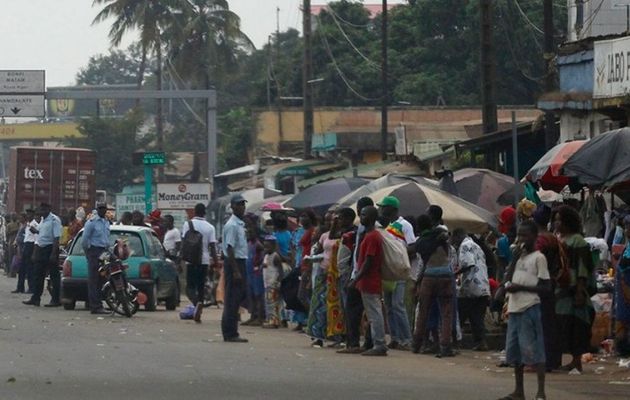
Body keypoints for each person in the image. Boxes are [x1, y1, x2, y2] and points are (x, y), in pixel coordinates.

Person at [500, 220, 550, 400]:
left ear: (534, 237)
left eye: (524, 235)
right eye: (518, 235)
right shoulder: (518, 258)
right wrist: (513, 260)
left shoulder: (539, 258)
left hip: (530, 307)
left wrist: (521, 288)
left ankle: (540, 392)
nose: (520, 239)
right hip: (514, 308)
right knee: (515, 353)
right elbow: (507, 276)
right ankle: (518, 391)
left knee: (535, 350)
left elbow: (546, 287)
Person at [553, 205, 596, 373]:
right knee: (561, 324)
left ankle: (576, 361)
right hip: (561, 289)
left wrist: (580, 290)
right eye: (555, 220)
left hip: (573, 291)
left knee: (576, 326)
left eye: (559, 220)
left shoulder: (578, 241)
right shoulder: (558, 239)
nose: (556, 223)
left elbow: (582, 268)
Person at [412, 205, 456, 358]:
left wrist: (417, 282)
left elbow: (421, 266)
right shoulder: (440, 234)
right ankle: (445, 346)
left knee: (423, 311)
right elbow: (450, 254)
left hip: (429, 277)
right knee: (446, 313)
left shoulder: (420, 242)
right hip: (445, 275)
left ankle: (416, 344)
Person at [348, 205, 387, 356]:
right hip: (367, 281)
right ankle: (375, 343)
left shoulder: (372, 236)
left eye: (364, 214)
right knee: (372, 314)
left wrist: (356, 278)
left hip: (370, 280)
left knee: (375, 314)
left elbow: (368, 261)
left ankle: (379, 344)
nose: (361, 217)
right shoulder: (369, 234)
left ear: (371, 217)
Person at [338, 197, 375, 354]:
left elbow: (364, 256)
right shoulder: (362, 229)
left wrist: (355, 276)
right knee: (369, 311)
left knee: (354, 310)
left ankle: (354, 343)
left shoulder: (367, 231)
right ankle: (367, 342)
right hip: (362, 273)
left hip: (360, 274)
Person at [378, 195, 414, 351]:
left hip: (398, 269)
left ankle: (406, 339)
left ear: (392, 209)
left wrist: (400, 258)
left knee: (398, 305)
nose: (380, 210)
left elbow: (412, 246)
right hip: (386, 271)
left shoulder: (404, 225)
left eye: (383, 207)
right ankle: (395, 337)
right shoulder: (384, 225)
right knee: (389, 306)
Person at [533, 204, 564, 371]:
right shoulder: (552, 237)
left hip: (540, 284)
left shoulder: (540, 240)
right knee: (550, 323)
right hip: (552, 283)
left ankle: (543, 361)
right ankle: (553, 360)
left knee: (541, 323)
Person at [451, 228, 490, 351]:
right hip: (482, 285)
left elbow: (468, 264)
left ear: (457, 236)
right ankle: (481, 342)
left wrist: (453, 273)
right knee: (477, 316)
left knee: (460, 314)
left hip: (472, 286)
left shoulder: (465, 245)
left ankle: (455, 341)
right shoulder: (476, 245)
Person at [181, 203, 218, 323]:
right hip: (204, 260)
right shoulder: (210, 227)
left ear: (195, 212)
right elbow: (212, 246)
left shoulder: (188, 224)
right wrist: (216, 262)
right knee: (201, 286)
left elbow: (183, 242)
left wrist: (181, 259)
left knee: (189, 287)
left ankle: (197, 304)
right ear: (205, 213)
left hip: (191, 260)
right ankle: (200, 306)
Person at [221, 194, 249, 343]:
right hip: (234, 263)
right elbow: (229, 248)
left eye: (243, 204)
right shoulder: (232, 225)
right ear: (232, 207)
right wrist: (236, 270)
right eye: (239, 205)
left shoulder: (240, 224)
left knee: (238, 297)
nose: (242, 207)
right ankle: (230, 333)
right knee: (232, 298)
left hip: (241, 261)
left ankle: (232, 330)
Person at [23, 203, 62, 307]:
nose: (42, 211)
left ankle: (56, 299)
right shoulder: (42, 220)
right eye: (41, 210)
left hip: (50, 249)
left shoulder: (54, 220)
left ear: (49, 209)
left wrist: (53, 254)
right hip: (41, 249)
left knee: (54, 276)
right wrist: (35, 231)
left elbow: (56, 238)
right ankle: (36, 298)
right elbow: (40, 236)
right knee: (38, 274)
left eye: (44, 209)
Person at [306, 211, 335, 347]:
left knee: (333, 307)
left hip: (336, 275)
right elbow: (317, 251)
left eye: (333, 220)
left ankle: (335, 337)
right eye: (328, 220)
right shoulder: (324, 236)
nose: (330, 223)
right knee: (319, 306)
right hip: (322, 273)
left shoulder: (345, 235)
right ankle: (317, 336)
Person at [82, 203, 111, 314]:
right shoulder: (91, 222)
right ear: (97, 209)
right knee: (94, 279)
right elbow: (85, 240)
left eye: (104, 208)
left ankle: (99, 303)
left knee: (102, 278)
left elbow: (106, 239)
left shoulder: (106, 222)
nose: (102, 210)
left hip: (104, 252)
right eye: (100, 208)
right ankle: (95, 306)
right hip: (94, 251)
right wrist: (88, 253)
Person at [243, 214, 265, 327]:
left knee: (258, 295)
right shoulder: (249, 243)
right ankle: (253, 316)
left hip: (256, 272)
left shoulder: (258, 244)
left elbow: (262, 257)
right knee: (251, 294)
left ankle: (260, 317)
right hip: (249, 271)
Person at [614, 215, 630, 356]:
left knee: (624, 319)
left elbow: (625, 270)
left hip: (626, 289)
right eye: (625, 227)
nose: (626, 231)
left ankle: (624, 348)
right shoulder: (627, 247)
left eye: (628, 227)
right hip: (623, 288)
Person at [262, 235, 283, 328]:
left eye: (268, 246)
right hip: (267, 282)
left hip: (273, 282)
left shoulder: (275, 256)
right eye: (265, 246)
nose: (266, 248)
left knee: (273, 303)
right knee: (268, 303)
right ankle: (271, 320)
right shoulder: (266, 256)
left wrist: (278, 281)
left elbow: (280, 270)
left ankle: (273, 321)